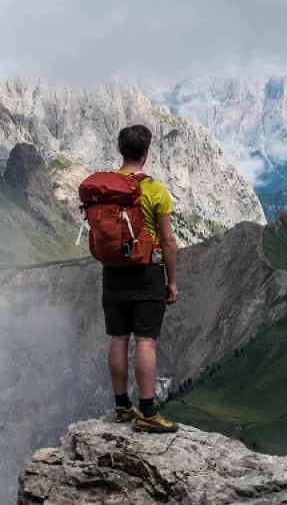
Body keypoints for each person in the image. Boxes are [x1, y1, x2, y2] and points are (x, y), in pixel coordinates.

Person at [101, 124, 180, 433]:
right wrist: (171, 282)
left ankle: (121, 406)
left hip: (113, 272)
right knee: (146, 340)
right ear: (146, 152)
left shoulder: (104, 188)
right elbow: (169, 241)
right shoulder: (155, 189)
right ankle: (147, 412)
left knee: (118, 338)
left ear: (121, 150)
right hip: (147, 271)